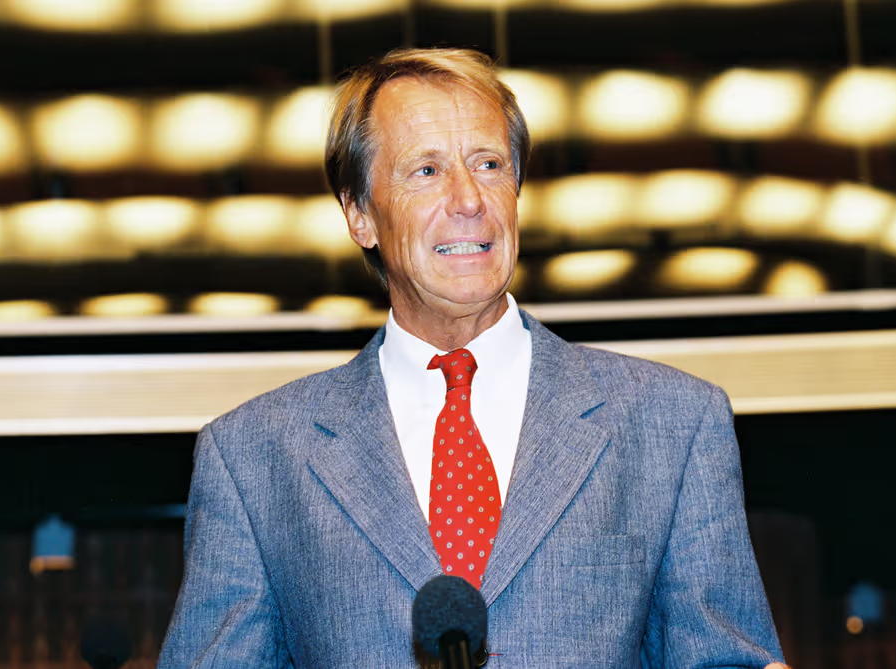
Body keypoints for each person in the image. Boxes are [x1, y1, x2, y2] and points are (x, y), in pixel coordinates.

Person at [158, 48, 786, 668]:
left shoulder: (673, 423)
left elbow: (724, 659)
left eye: (488, 164)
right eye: (426, 171)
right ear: (359, 215)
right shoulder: (251, 458)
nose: (467, 198)